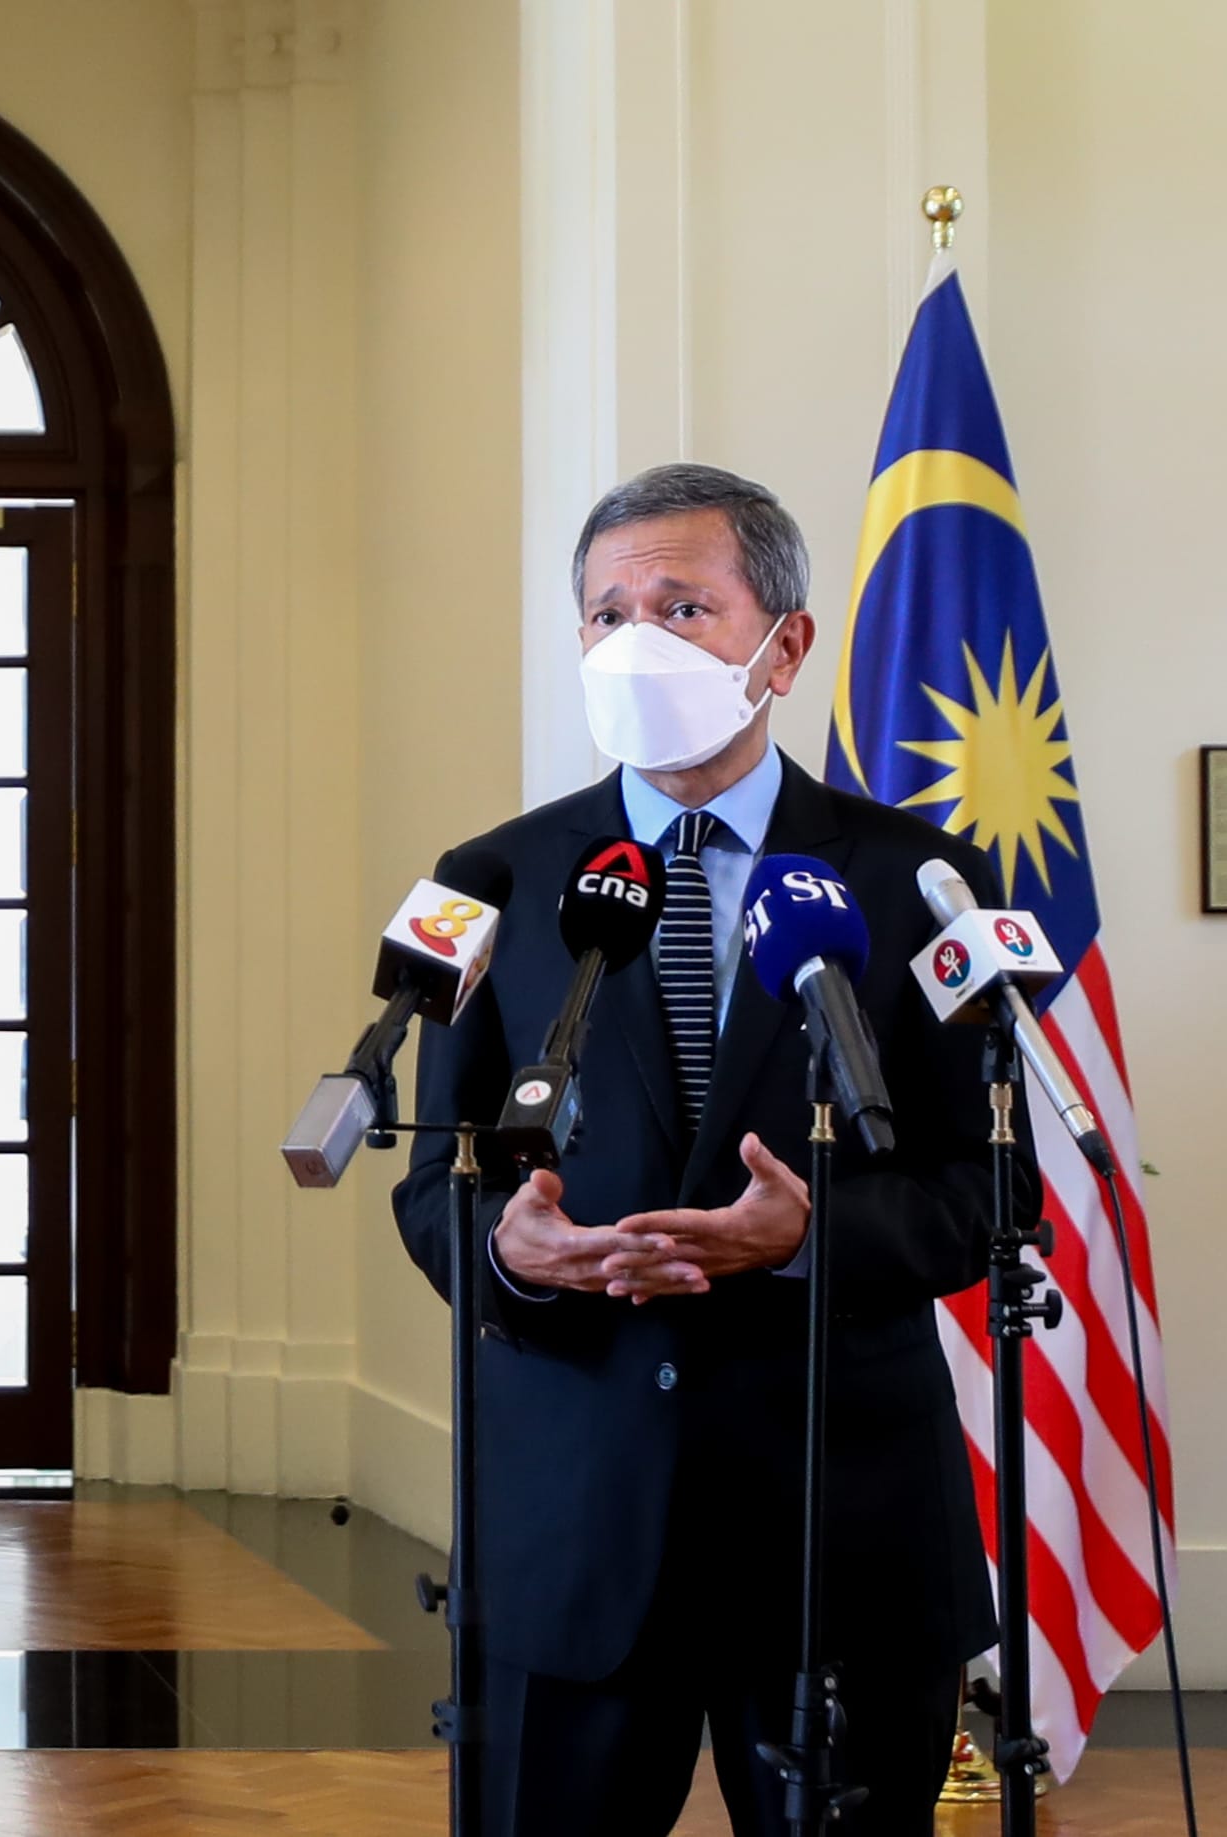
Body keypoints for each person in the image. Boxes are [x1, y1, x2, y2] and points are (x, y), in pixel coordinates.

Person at [392, 464, 1030, 1834]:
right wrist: (509, 1248)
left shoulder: (915, 879)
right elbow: (435, 1178)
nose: (637, 643)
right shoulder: (493, 879)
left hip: (836, 1529)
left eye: (684, 607)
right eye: (607, 612)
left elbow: (992, 1187)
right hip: (574, 1526)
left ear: (783, 645)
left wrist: (809, 1236)